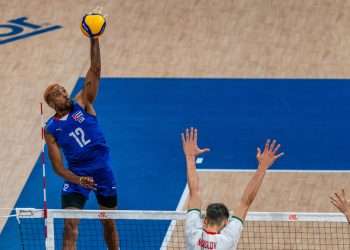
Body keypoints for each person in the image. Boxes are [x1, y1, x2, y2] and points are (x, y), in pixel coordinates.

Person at [43, 31, 119, 249]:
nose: (64, 93)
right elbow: (58, 168)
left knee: (108, 222)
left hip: (102, 172)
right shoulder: (51, 129)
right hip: (77, 177)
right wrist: (78, 180)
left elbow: (95, 70)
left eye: (64, 90)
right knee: (69, 226)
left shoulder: (83, 103)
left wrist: (94, 40)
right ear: (51, 103)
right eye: (58, 93)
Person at [182, 127, 284, 250]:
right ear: (225, 223)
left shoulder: (192, 234)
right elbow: (245, 202)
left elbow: (194, 192)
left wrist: (189, 157)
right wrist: (262, 166)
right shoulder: (227, 240)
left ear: (205, 220)